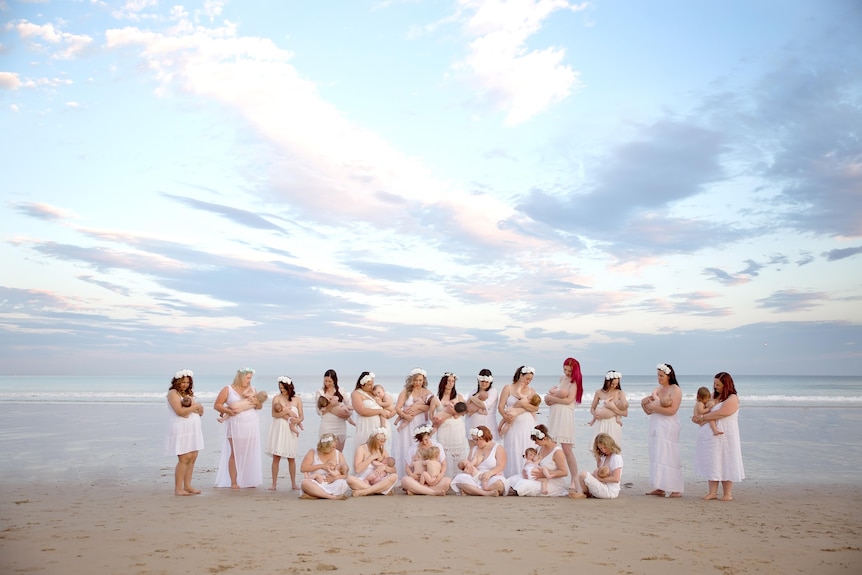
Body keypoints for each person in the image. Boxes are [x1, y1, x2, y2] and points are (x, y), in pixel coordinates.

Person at [693, 372, 744, 501]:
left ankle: (727, 493)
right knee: (713, 461)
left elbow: (722, 413)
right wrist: (698, 418)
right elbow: (701, 407)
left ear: (726, 385)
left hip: (726, 434)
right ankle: (712, 492)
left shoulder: (732, 398)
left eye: (718, 384)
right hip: (711, 435)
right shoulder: (713, 396)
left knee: (726, 460)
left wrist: (703, 417)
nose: (715, 387)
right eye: (714, 384)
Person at [213, 368, 264, 489]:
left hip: (251, 425)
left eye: (250, 378)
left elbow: (259, 406)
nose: (249, 380)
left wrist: (256, 402)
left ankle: (247, 480)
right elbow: (217, 405)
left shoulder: (252, 389)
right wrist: (227, 411)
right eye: (248, 378)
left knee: (249, 453)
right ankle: (234, 482)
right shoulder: (228, 389)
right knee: (236, 453)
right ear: (241, 377)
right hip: (236, 425)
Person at [641, 363, 684, 498]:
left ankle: (675, 488)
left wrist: (654, 407)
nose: (659, 378)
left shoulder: (675, 390)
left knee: (668, 454)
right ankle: (660, 487)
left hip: (669, 425)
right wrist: (643, 403)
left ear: (669, 375)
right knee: (657, 454)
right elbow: (648, 411)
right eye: (658, 375)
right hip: (656, 424)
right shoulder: (657, 389)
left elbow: (672, 410)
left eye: (661, 375)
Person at [545, 357, 585, 493]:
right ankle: (550, 475)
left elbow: (568, 401)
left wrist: (552, 398)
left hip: (565, 416)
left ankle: (574, 478)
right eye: (565, 369)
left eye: (569, 370)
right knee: (550, 445)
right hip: (555, 415)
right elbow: (556, 397)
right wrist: (550, 400)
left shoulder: (575, 382)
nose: (567, 372)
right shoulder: (562, 379)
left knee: (567, 450)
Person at [165, 369, 204, 496]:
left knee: (193, 457)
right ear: (177, 381)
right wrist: (196, 406)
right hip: (181, 428)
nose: (185, 384)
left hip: (193, 428)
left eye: (187, 382)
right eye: (183, 382)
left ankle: (188, 486)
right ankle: (178, 488)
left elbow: (199, 412)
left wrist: (199, 408)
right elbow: (180, 412)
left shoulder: (189, 394)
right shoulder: (173, 393)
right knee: (184, 458)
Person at [498, 365, 541, 478]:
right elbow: (501, 407)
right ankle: (512, 477)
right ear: (520, 375)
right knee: (513, 450)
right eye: (527, 378)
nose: (528, 381)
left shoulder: (531, 391)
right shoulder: (508, 388)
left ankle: (528, 476)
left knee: (528, 449)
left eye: (530, 380)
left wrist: (522, 406)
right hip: (512, 425)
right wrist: (505, 417)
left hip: (528, 424)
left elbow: (536, 408)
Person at [508, 424, 569, 497]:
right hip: (537, 479)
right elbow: (533, 462)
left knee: (524, 485)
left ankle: (510, 491)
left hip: (550, 483)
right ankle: (505, 489)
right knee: (514, 479)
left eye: (536, 440)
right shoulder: (539, 448)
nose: (535, 443)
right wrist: (526, 470)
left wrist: (544, 474)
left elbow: (564, 472)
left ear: (544, 438)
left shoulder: (557, 452)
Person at [266, 376, 304, 491]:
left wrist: (298, 420)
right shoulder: (276, 398)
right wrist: (287, 412)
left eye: (284, 388)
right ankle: (274, 484)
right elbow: (274, 414)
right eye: (280, 388)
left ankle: (293, 483)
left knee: (291, 457)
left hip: (291, 430)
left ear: (289, 387)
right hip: (279, 428)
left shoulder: (297, 399)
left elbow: (302, 416)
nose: (282, 390)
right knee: (276, 456)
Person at [394, 368, 433, 476]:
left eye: (420, 380)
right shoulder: (406, 392)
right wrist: (404, 416)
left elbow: (430, 407)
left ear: (423, 380)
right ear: (411, 380)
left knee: (420, 447)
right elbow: (397, 408)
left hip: (421, 423)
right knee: (407, 446)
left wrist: (420, 407)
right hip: (408, 423)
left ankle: (421, 475)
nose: (418, 383)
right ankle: (405, 474)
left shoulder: (427, 392)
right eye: (415, 380)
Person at [430, 372, 469, 478]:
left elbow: (464, 412)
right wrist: (435, 421)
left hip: (457, 428)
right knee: (444, 455)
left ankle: (460, 479)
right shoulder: (436, 398)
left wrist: (453, 413)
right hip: (443, 429)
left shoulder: (458, 396)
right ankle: (445, 479)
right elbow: (430, 414)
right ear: (444, 382)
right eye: (448, 381)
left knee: (458, 456)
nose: (451, 383)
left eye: (453, 381)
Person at [451, 426, 508, 496]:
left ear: (483, 437)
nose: (475, 442)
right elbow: (468, 464)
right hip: (475, 478)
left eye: (476, 440)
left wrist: (490, 473)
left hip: (491, 477)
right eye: (473, 440)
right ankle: (485, 493)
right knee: (459, 478)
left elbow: (501, 466)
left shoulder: (498, 448)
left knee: (500, 483)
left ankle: (472, 491)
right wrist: (467, 471)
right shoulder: (474, 449)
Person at [401, 423, 452, 495]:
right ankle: (433, 492)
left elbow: (444, 464)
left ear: (429, 435)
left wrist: (440, 476)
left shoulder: (437, 446)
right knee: (405, 480)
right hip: (418, 480)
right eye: (421, 441)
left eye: (426, 440)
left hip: (433, 480)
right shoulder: (413, 448)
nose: (424, 442)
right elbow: (407, 467)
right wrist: (412, 475)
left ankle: (418, 491)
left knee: (448, 481)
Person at [346, 427, 398, 496]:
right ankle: (379, 491)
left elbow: (394, 470)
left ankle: (365, 492)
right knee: (349, 479)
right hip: (364, 480)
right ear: (374, 439)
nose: (382, 444)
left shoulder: (382, 450)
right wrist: (371, 458)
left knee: (394, 476)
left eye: (384, 441)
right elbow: (357, 470)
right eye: (381, 441)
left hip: (379, 481)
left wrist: (384, 467)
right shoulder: (361, 448)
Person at [572, 433, 623, 499]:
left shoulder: (616, 457)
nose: (603, 450)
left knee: (583, 474)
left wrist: (599, 478)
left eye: (605, 447)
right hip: (602, 485)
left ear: (610, 444)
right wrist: (598, 458)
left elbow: (616, 479)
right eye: (601, 449)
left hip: (610, 491)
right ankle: (585, 493)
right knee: (577, 479)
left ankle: (582, 494)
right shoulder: (604, 457)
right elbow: (599, 472)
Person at [299, 433, 350, 500]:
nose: (334, 449)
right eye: (332, 447)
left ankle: (316, 495)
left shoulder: (338, 454)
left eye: (335, 446)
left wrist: (335, 478)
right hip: (316, 483)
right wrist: (321, 466)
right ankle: (331, 497)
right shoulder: (313, 452)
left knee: (343, 483)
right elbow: (303, 468)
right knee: (305, 483)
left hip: (331, 484)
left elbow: (345, 474)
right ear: (324, 448)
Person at [315, 369, 354, 452]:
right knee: (325, 452)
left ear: (335, 381)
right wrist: (332, 406)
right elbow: (319, 412)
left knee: (338, 453)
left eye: (330, 381)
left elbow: (349, 405)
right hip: (327, 425)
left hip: (340, 426)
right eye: (325, 381)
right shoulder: (320, 393)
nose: (327, 383)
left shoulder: (341, 391)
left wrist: (343, 411)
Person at [351, 372, 390, 453]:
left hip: (381, 428)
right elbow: (362, 411)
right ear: (362, 385)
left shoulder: (374, 392)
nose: (372, 386)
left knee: (381, 454)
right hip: (367, 426)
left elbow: (387, 406)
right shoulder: (356, 394)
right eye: (369, 385)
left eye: (372, 383)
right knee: (367, 452)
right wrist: (379, 411)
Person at [588, 370, 629, 447]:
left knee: (612, 448)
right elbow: (592, 408)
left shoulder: (620, 393)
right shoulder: (599, 392)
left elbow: (625, 413)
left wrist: (612, 410)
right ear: (607, 381)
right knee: (599, 448)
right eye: (612, 384)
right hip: (600, 423)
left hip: (613, 424)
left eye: (616, 384)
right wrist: (595, 415)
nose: (614, 386)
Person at [464, 369, 499, 444]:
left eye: (487, 382)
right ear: (479, 380)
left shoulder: (493, 391)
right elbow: (466, 407)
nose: (484, 384)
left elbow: (485, 405)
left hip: (487, 425)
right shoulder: (473, 391)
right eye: (482, 381)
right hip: (471, 425)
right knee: (473, 450)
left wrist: (472, 399)